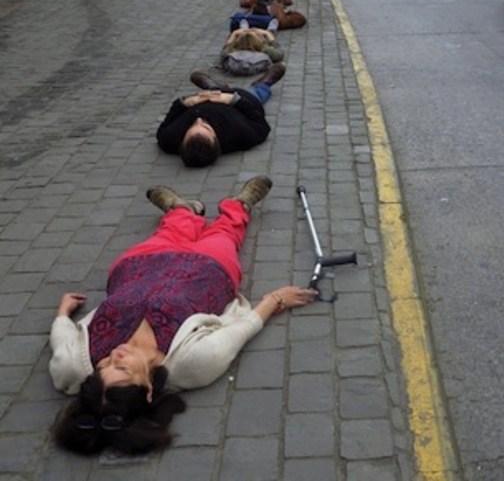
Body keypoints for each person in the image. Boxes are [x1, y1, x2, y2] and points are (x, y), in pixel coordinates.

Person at [49, 177, 318, 455]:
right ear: (149, 389)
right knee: (225, 234)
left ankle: (182, 210)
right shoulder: (193, 363)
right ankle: (238, 205)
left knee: (169, 232)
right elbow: (243, 329)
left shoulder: (74, 367)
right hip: (209, 271)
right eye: (124, 369)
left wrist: (63, 313)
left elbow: (62, 341)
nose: (114, 357)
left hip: (138, 267)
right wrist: (275, 299)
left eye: (103, 367)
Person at [156, 63, 285, 167]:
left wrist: (186, 102)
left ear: (182, 141)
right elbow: (260, 122)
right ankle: (265, 82)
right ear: (215, 138)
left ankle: (212, 86)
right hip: (240, 100)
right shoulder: (240, 136)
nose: (199, 120)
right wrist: (232, 99)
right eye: (206, 127)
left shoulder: (169, 140)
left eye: (192, 126)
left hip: (206, 97)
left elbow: (167, 122)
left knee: (212, 89)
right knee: (258, 92)